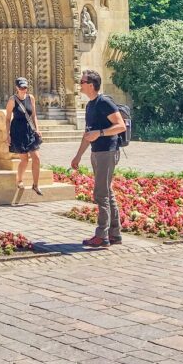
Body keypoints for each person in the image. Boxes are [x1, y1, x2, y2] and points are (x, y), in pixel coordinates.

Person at [70, 69, 126, 248]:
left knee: (100, 194)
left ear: (92, 85)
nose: (80, 84)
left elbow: (120, 126)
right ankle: (115, 233)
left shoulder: (104, 102)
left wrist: (100, 133)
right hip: (97, 152)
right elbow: (88, 133)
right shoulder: (90, 105)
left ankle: (102, 236)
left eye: (83, 81)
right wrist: (78, 155)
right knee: (107, 193)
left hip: (107, 151)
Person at [5, 78, 42, 193]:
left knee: (36, 158)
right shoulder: (12, 100)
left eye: (25, 87)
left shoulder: (31, 98)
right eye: (21, 87)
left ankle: (35, 185)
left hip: (29, 130)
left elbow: (33, 115)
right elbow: (7, 119)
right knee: (24, 159)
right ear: (17, 88)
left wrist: (37, 129)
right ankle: (19, 180)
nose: (23, 90)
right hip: (18, 131)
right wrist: (8, 135)